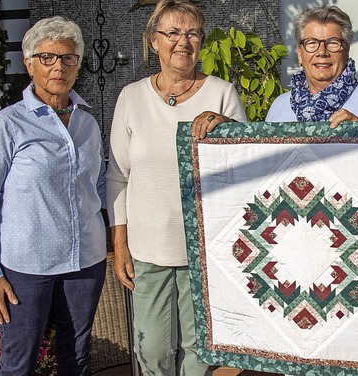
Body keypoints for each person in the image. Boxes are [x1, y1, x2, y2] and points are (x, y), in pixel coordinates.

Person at [106, 0, 246, 374]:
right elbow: (117, 176)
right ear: (154, 41)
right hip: (147, 250)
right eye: (172, 33)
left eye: (192, 33)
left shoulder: (221, 94)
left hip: (203, 251)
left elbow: (245, 168)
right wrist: (119, 243)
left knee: (198, 355)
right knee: (150, 349)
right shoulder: (131, 98)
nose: (183, 42)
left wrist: (227, 128)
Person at [0, 16, 107, 375]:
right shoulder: (5, 126)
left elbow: (99, 186)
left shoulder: (87, 124)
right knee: (18, 364)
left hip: (85, 263)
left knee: (76, 360)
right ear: (29, 64)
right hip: (26, 268)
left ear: (78, 64)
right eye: (47, 57)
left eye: (68, 58)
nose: (58, 66)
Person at [265, 5, 358, 126]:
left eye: (333, 43)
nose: (322, 52)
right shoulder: (279, 107)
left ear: (346, 51)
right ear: (300, 53)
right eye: (311, 43)